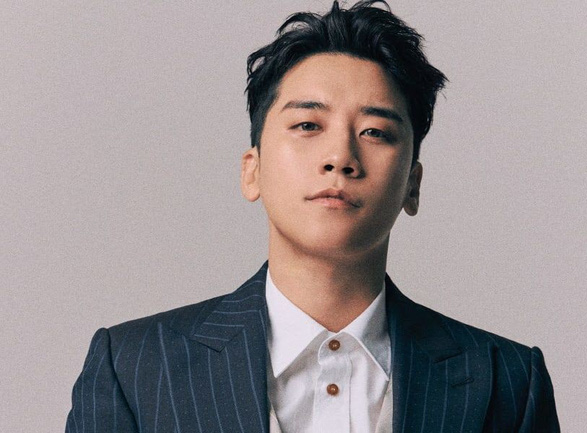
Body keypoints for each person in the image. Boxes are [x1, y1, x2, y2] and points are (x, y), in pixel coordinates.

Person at [66, 1, 560, 432]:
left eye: (375, 132)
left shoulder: (506, 382)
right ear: (252, 171)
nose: (340, 156)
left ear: (412, 184)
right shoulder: (133, 369)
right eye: (307, 125)